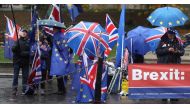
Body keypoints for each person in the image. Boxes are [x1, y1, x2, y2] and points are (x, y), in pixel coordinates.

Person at [156, 28, 185, 103]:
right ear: (167, 34)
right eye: (169, 34)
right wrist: (167, 50)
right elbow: (158, 52)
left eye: (172, 34)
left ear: (174, 35)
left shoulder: (178, 42)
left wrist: (175, 51)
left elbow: (182, 52)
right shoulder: (162, 42)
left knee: (174, 82)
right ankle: (164, 96)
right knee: (164, 82)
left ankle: (174, 96)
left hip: (175, 66)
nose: (170, 36)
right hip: (164, 65)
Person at [12, 29, 30, 95]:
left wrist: (23, 53)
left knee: (25, 76)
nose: (24, 33)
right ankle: (14, 89)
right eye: (23, 32)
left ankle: (24, 89)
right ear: (20, 33)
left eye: (25, 32)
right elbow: (13, 49)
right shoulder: (17, 41)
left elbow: (30, 52)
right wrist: (16, 47)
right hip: (17, 62)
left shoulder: (28, 42)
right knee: (15, 76)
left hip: (25, 62)